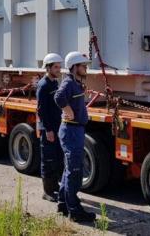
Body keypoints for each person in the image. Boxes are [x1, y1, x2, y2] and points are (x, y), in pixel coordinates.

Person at [54, 51, 96, 223]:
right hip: (71, 131)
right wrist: (67, 109)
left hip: (75, 130)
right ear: (74, 67)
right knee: (74, 171)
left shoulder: (77, 83)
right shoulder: (69, 82)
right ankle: (75, 211)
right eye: (83, 66)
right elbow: (58, 97)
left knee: (69, 169)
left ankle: (63, 203)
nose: (86, 68)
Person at [36, 53, 64, 202]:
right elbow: (41, 110)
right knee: (47, 159)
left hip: (56, 126)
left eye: (59, 67)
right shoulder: (44, 85)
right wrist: (48, 130)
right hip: (48, 129)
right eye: (56, 67)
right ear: (48, 68)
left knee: (57, 158)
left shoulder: (54, 83)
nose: (59, 70)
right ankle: (47, 191)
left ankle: (54, 186)